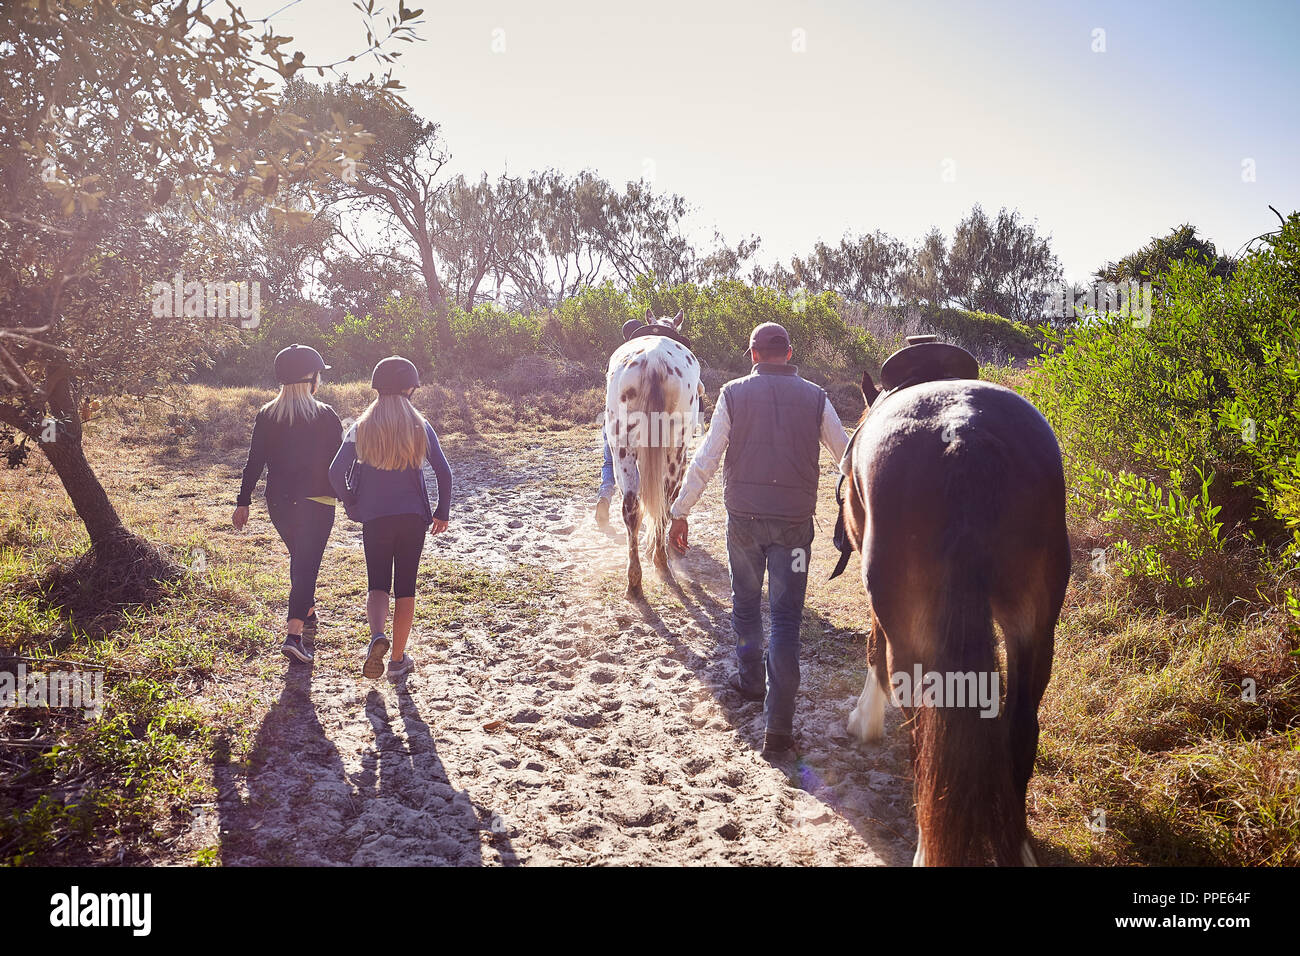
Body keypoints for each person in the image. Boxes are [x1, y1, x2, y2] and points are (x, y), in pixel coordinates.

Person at [668, 323, 849, 759]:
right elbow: (847, 456)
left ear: (752, 354)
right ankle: (780, 728)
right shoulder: (817, 397)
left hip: (744, 521)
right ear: (788, 354)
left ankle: (751, 680)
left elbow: (707, 457)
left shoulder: (732, 394)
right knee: (786, 621)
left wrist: (680, 510)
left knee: (745, 602)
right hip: (794, 526)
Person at [329, 356, 452, 683]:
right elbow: (444, 472)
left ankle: (376, 638)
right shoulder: (420, 426)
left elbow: (335, 472)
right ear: (411, 388)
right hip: (412, 519)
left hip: (376, 519)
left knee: (378, 583)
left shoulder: (361, 426)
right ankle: (397, 659)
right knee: (406, 587)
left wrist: (351, 503)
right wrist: (443, 511)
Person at [233, 344, 343, 664]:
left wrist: (243, 502)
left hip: (279, 502)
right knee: (306, 562)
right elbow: (340, 463)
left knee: (301, 557)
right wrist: (352, 494)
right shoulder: (325, 415)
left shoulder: (267, 415)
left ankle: (306, 609)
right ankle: (293, 635)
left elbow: (255, 462)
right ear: (311, 378)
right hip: (318, 500)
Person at [595, 318, 652, 529]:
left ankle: (605, 498)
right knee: (636, 465)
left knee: (609, 463)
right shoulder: (646, 357)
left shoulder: (618, 357)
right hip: (643, 421)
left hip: (612, 419)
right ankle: (636, 504)